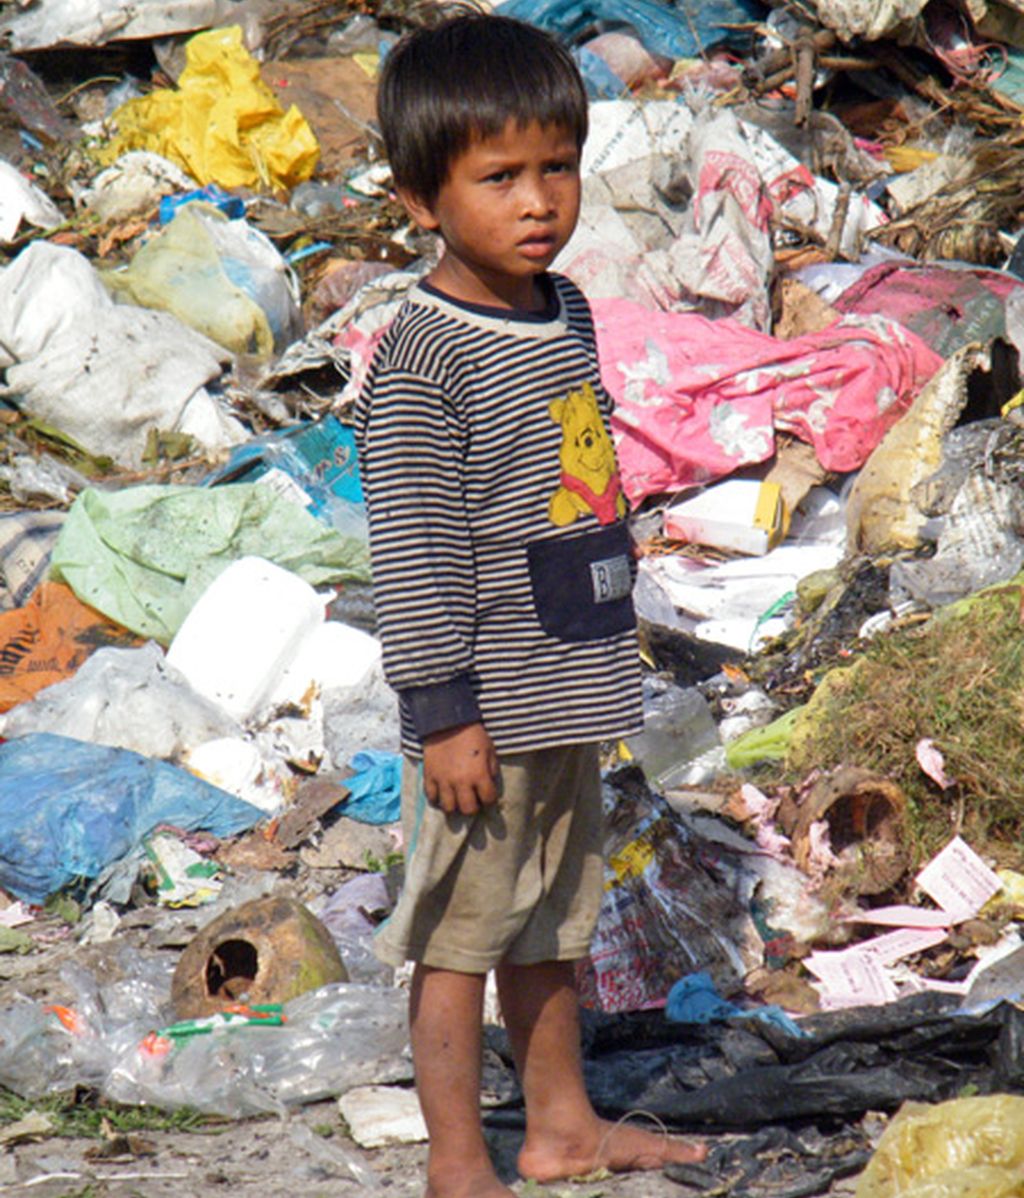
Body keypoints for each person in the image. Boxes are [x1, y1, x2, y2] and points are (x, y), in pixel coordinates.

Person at [353, 13, 707, 1197]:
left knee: (554, 923)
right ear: (419, 200)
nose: (539, 200)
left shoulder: (564, 310)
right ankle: (459, 1157)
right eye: (498, 177)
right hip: (482, 716)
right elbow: (411, 548)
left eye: (556, 166)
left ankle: (560, 1126)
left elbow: (570, 476)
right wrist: (443, 709)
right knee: (460, 940)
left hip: (566, 687)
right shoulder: (422, 356)